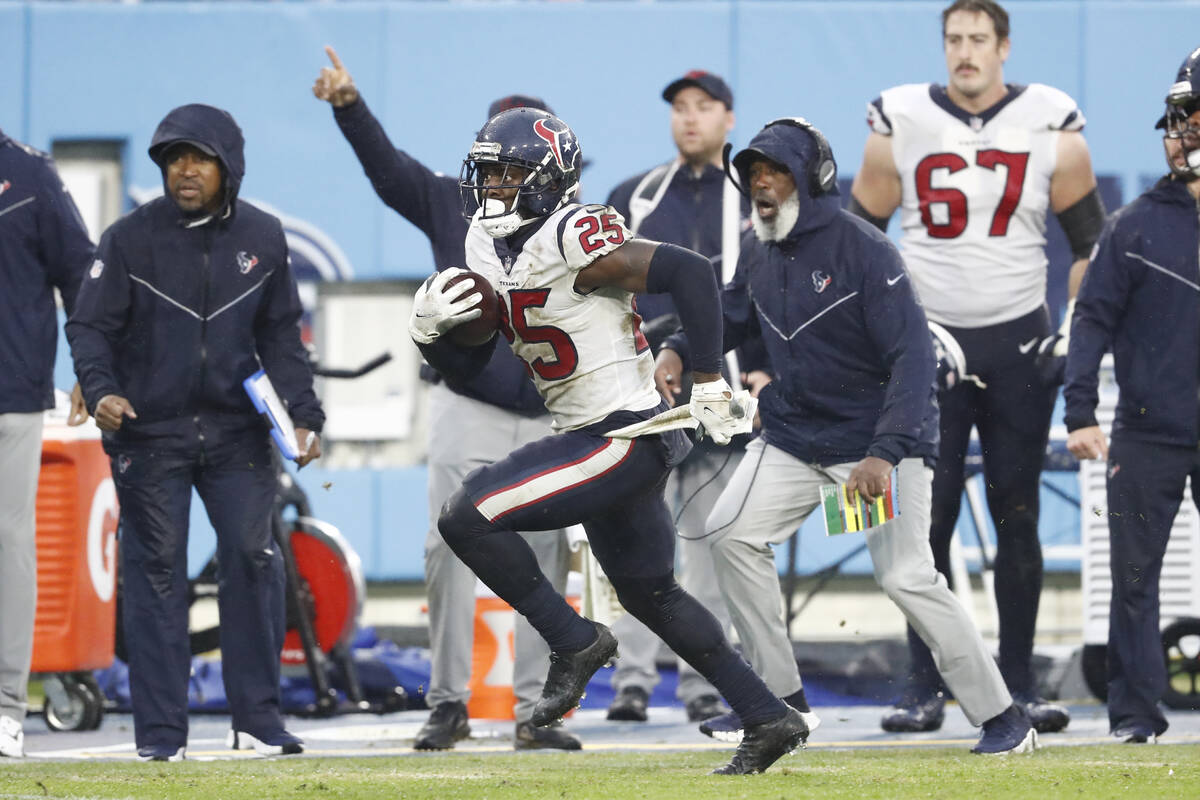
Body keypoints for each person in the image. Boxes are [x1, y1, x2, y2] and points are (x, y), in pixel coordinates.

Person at [411, 106, 809, 776]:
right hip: (593, 436)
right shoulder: (485, 244)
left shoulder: (574, 233)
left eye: (510, 174)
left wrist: (708, 375)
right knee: (653, 595)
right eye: (489, 174)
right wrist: (432, 338)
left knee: (465, 516)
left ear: (547, 178)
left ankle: (573, 640)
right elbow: (474, 366)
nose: (495, 188)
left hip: (623, 434)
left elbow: (691, 273)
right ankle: (768, 716)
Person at [659, 116, 1037, 755]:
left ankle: (1005, 718)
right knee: (727, 534)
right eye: (753, 174)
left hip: (874, 447)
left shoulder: (866, 249)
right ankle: (781, 704)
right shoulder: (759, 247)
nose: (762, 184)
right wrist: (675, 346)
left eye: (775, 171)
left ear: (814, 177)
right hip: (796, 439)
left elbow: (915, 360)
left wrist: (883, 454)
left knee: (907, 577)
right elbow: (727, 314)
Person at [848, 0, 1105, 734]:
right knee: (922, 524)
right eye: (954, 39)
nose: (964, 52)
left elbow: (1089, 244)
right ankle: (922, 685)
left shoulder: (1050, 118)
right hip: (926, 345)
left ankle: (1016, 684)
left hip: (1018, 341)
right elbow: (857, 244)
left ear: (1004, 47)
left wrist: (1074, 326)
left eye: (978, 40)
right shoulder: (900, 118)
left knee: (1016, 514)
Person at [312, 47, 579, 751]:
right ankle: (448, 701)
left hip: (551, 407)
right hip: (468, 402)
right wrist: (349, 105)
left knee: (547, 552)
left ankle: (535, 710)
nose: (500, 175)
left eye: (515, 160)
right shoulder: (449, 201)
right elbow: (388, 170)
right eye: (492, 158)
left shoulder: (572, 223)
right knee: (445, 547)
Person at [66, 104, 323, 762]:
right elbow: (90, 326)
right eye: (173, 158)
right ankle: (159, 738)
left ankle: (257, 724)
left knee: (252, 559)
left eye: (198, 158)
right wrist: (101, 391)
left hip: (240, 436)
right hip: (149, 436)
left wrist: (305, 414)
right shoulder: (129, 238)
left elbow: (280, 335)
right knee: (156, 575)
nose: (184, 169)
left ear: (227, 168)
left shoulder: (264, 237)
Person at [601, 70, 748, 725]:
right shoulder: (634, 195)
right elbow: (603, 296)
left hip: (722, 391)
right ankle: (631, 679)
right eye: (680, 108)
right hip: (643, 394)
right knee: (636, 542)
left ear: (729, 119)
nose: (690, 119)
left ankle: (704, 681)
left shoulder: (752, 196)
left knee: (712, 543)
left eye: (704, 107)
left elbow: (759, 297)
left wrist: (761, 371)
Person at [1063, 48, 1200, 745]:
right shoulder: (1136, 225)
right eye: (1183, 120)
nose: (1187, 135)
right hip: (1149, 429)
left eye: (1197, 119)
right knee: (1135, 578)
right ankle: (1136, 718)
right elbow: (1091, 319)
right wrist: (1080, 410)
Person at [0, 128, 94, 758]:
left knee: (8, 546)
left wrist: (92, 365)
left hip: (9, 394)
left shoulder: (30, 176)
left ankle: (5, 705)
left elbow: (80, 274)